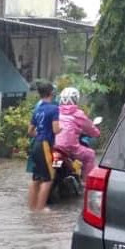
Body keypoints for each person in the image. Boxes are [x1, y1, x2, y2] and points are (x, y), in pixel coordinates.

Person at [27, 82, 61, 212]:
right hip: (45, 146)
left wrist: (39, 135)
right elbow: (56, 129)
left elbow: (30, 131)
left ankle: (31, 208)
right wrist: (61, 128)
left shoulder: (37, 109)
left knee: (36, 178)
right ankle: (40, 210)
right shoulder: (54, 109)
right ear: (51, 93)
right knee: (48, 179)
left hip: (36, 145)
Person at [54, 87, 100, 181]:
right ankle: (86, 182)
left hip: (53, 146)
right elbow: (90, 128)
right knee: (90, 154)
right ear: (76, 99)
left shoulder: (55, 111)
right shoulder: (77, 113)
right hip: (70, 148)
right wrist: (96, 133)